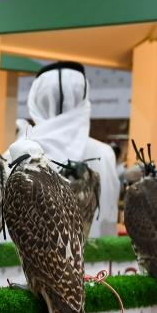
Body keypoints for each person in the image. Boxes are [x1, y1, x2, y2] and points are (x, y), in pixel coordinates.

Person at [14, 61, 121, 238]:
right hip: (93, 262)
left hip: (23, 264)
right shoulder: (103, 154)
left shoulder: (15, 154)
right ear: (84, 96)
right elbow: (108, 217)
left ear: (36, 98)